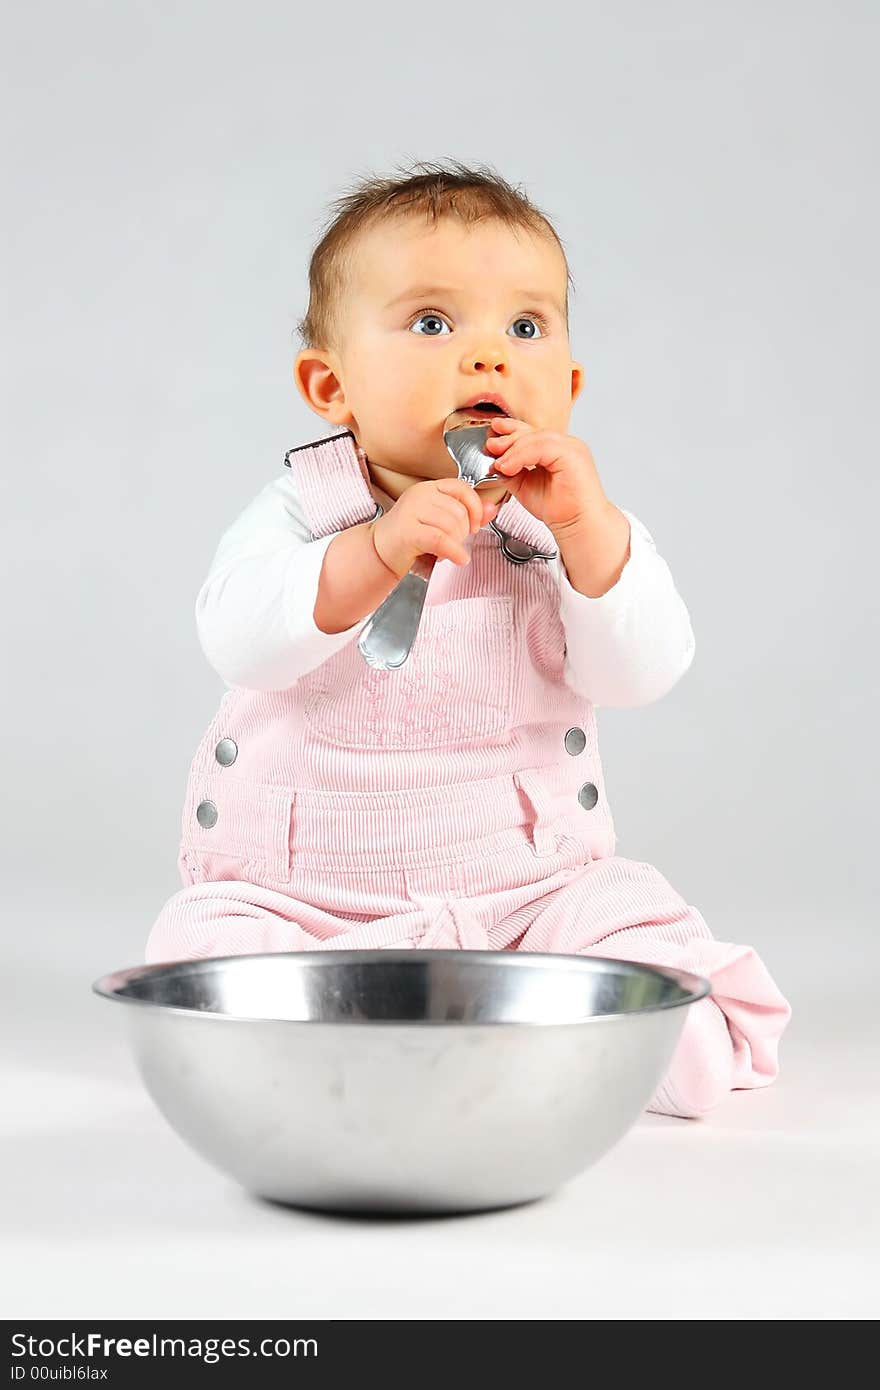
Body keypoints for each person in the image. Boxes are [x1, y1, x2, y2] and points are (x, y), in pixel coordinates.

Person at [145, 161, 790, 1118]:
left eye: (524, 328)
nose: (488, 357)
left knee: (638, 939)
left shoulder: (565, 524)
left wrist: (588, 532)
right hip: (307, 901)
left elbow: (641, 671)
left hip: (532, 893)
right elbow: (242, 642)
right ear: (331, 384)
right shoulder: (306, 510)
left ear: (567, 384)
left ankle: (616, 1038)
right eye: (434, 323)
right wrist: (375, 551)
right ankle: (392, 1036)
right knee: (204, 953)